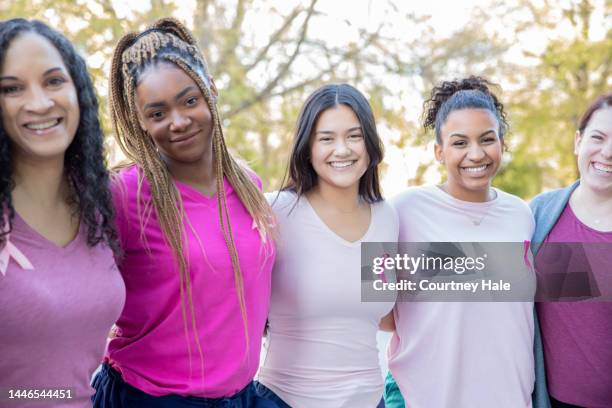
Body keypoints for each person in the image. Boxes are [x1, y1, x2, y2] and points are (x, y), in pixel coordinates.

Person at [91, 18, 276, 407]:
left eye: (189, 100)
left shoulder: (249, 185)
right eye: (157, 113)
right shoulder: (124, 194)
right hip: (149, 398)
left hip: (241, 397)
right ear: (139, 120)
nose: (178, 121)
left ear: (211, 90)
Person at [384, 76, 536, 407]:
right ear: (439, 151)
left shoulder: (520, 215)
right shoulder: (403, 211)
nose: (476, 153)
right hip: (425, 397)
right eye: (459, 143)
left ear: (502, 144)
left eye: (487, 139)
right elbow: (382, 313)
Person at [0, 19, 125, 407]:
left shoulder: (99, 207)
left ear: (78, 91)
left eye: (53, 81)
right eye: (11, 88)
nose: (39, 102)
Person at [256, 83, 398, 407]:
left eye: (354, 136)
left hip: (370, 400)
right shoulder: (276, 211)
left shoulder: (386, 217)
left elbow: (381, 311)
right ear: (308, 147)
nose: (342, 149)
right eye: (327, 138)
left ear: (370, 143)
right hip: (284, 399)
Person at [531, 93, 612, 408]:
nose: (607, 152)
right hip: (550, 401)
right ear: (578, 141)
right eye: (598, 137)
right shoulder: (539, 215)